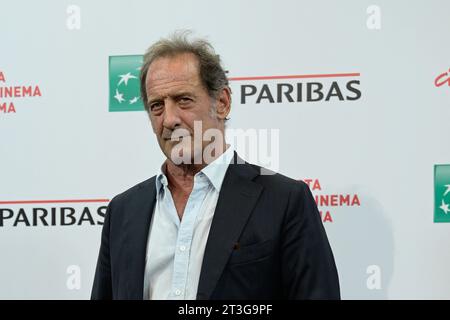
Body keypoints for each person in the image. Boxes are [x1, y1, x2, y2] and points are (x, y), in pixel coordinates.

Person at [91, 31, 340, 300]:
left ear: (222, 103)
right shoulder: (123, 211)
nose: (169, 119)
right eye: (157, 106)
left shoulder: (285, 201)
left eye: (183, 99)